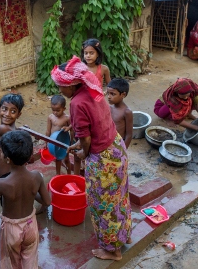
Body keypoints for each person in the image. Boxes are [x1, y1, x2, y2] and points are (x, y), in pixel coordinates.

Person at [51, 55, 131, 261]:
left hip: (103, 159)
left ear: (70, 85)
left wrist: (82, 152)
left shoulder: (76, 103)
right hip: (116, 148)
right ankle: (122, 236)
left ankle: (112, 250)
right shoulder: (93, 90)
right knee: (119, 198)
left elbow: (86, 139)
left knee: (103, 204)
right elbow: (96, 126)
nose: (60, 91)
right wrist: (82, 145)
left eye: (61, 86)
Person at [0, 130, 51, 269]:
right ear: (29, 156)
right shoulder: (36, 177)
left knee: (11, 262)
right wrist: (32, 193)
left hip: (11, 229)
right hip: (31, 225)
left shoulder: (1, 184)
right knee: (30, 259)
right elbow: (47, 201)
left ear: (7, 158)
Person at [45, 94, 72, 175]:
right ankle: (58, 174)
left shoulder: (67, 118)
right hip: (54, 142)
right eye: (53, 110)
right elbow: (48, 131)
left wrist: (71, 141)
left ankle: (69, 174)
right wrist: (46, 141)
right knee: (58, 158)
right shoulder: (50, 117)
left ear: (64, 108)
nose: (55, 112)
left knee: (66, 159)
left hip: (64, 142)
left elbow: (72, 127)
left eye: (58, 110)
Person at [107, 78, 133, 149]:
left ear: (123, 95)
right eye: (108, 93)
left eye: (112, 94)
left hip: (118, 145)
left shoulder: (127, 112)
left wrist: (123, 150)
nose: (109, 97)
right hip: (107, 142)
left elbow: (129, 135)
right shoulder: (109, 108)